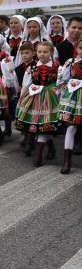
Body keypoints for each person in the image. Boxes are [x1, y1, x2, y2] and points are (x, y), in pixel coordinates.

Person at [15, 41, 61, 166]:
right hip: (34, 97)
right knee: (40, 125)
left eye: (45, 52)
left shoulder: (58, 67)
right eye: (40, 52)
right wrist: (22, 98)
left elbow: (61, 83)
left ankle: (39, 155)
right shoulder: (32, 67)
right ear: (36, 52)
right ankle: (50, 149)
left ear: (51, 52)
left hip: (50, 98)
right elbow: (26, 84)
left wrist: (59, 96)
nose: (42, 54)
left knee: (45, 124)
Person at [57, 38, 82, 173]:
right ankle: (67, 161)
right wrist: (63, 92)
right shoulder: (70, 63)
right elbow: (62, 80)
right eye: (81, 48)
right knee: (71, 127)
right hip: (74, 98)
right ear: (77, 49)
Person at [13, 43, 37, 154]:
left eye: (27, 53)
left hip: (33, 95)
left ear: (33, 53)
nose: (24, 55)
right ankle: (26, 138)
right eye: (22, 53)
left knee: (31, 117)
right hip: (22, 95)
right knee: (23, 116)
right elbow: (16, 81)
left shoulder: (35, 66)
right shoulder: (18, 68)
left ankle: (30, 141)